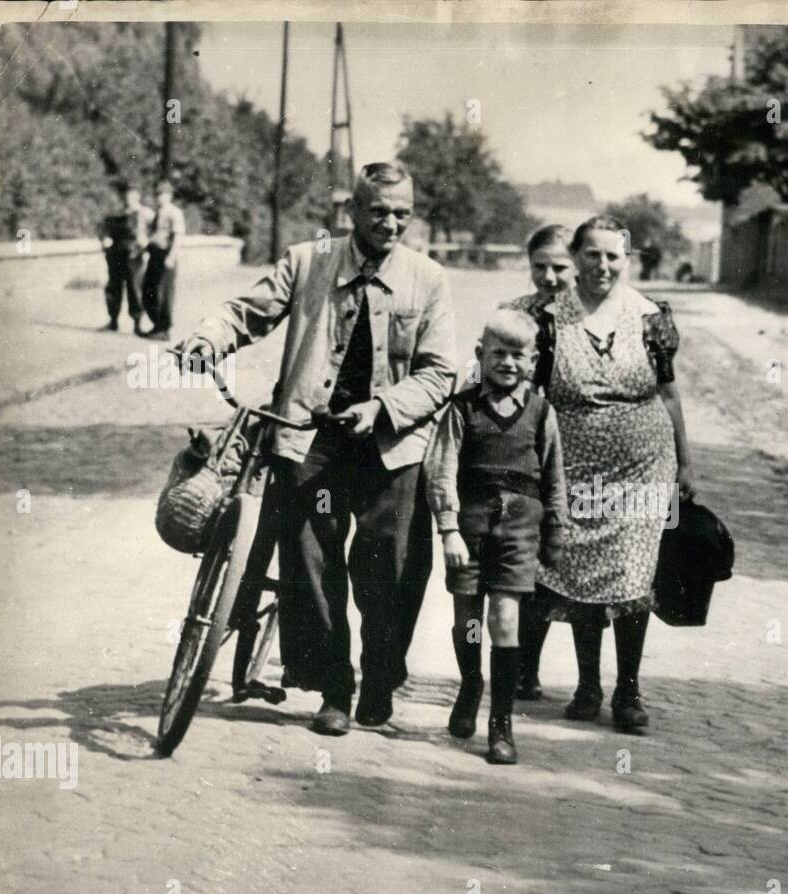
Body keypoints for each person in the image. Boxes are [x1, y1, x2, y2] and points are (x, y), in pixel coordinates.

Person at [176, 162, 458, 735]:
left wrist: (383, 408)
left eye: (402, 212)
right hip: (310, 438)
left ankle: (380, 677)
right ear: (351, 211)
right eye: (378, 211)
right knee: (308, 564)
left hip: (390, 447)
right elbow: (245, 313)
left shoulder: (428, 280)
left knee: (392, 570)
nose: (391, 223)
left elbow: (441, 372)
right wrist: (209, 338)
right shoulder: (308, 261)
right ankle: (334, 687)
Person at [518, 215, 696, 733]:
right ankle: (587, 685)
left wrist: (686, 463)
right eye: (591, 255)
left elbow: (668, 392)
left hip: (643, 465)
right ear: (575, 257)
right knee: (581, 571)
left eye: (612, 256)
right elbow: (532, 394)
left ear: (627, 258)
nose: (602, 266)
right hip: (572, 465)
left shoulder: (650, 317)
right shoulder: (549, 318)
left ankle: (629, 693)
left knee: (631, 573)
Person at [424, 310, 568, 764]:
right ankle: (470, 685)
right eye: (498, 353)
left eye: (518, 355)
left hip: (519, 531)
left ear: (533, 361)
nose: (507, 362)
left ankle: (500, 723)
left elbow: (555, 476)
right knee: (468, 619)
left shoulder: (543, 413)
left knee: (504, 621)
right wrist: (448, 529)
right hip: (469, 530)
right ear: (480, 355)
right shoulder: (462, 408)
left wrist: (557, 529)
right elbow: (441, 470)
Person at [498, 224, 576, 700]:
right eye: (539, 267)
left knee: (562, 557)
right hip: (522, 444)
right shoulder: (514, 315)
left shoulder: (589, 316)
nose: (549, 277)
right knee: (525, 554)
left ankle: (587, 680)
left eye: (560, 267)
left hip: (579, 445)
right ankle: (525, 666)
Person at [97, 182, 152, 333]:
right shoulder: (117, 212)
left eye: (132, 196)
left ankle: (137, 324)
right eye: (127, 196)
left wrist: (146, 241)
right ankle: (113, 320)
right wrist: (105, 239)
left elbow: (157, 229)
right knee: (113, 286)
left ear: (138, 197)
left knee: (135, 288)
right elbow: (103, 227)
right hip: (115, 253)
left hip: (134, 253)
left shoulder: (145, 213)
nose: (129, 199)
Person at [143, 179, 185, 340]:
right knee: (149, 290)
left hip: (166, 255)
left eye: (162, 194)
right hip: (155, 254)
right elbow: (155, 234)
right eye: (157, 194)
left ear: (169, 195)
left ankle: (165, 329)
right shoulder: (158, 212)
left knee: (165, 292)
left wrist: (171, 257)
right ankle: (157, 324)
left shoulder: (174, 212)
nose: (159, 197)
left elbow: (178, 236)